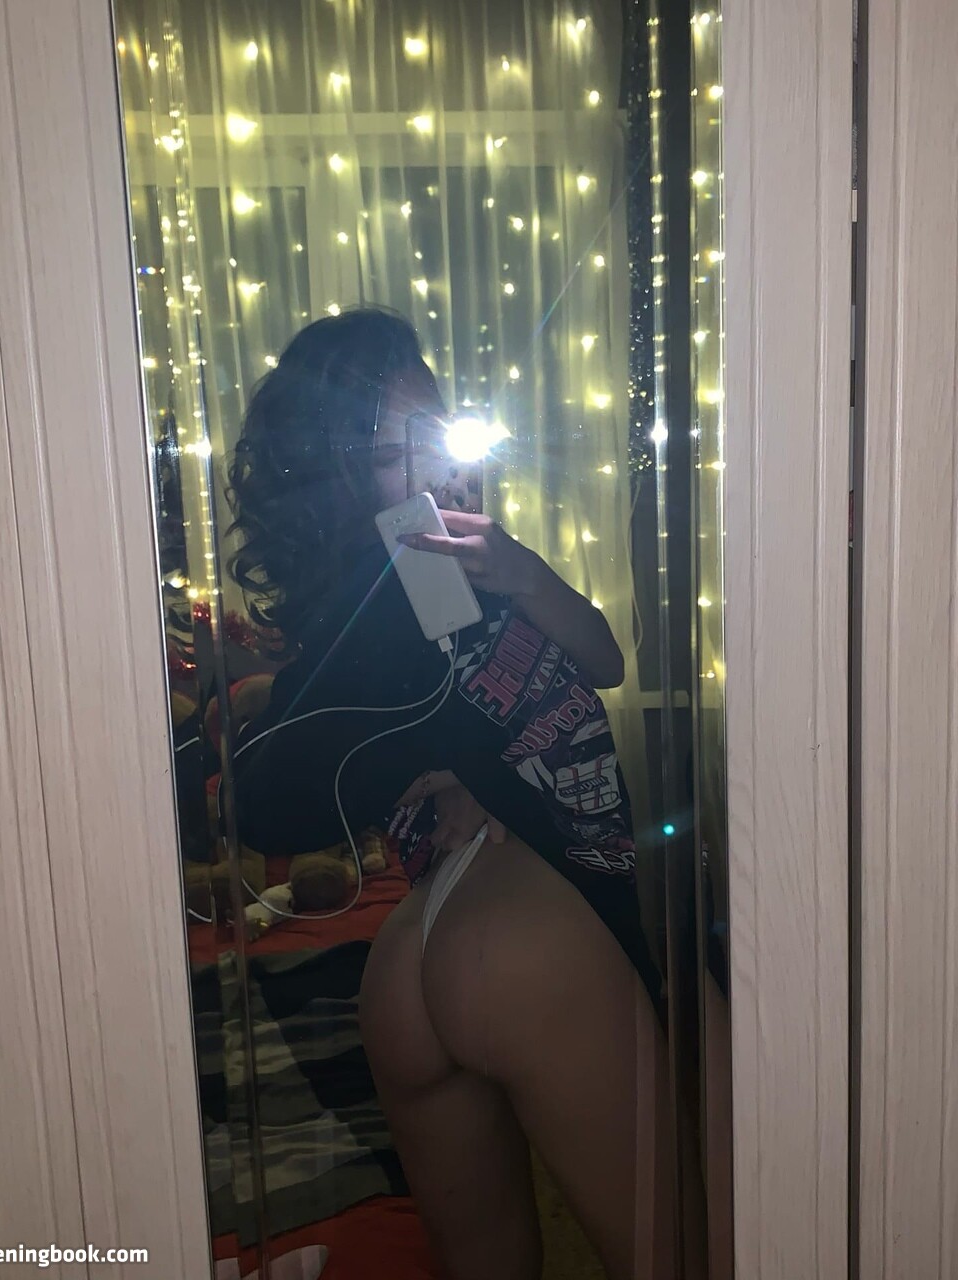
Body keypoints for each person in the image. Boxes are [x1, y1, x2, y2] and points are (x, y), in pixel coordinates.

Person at [226, 308, 680, 1280]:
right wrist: (427, 761)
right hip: (529, 919)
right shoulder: (375, 603)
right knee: (681, 1251)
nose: (429, 465)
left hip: (425, 949)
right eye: (395, 451)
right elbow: (274, 794)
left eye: (430, 430)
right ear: (340, 474)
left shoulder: (440, 560)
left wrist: (520, 572)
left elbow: (592, 662)